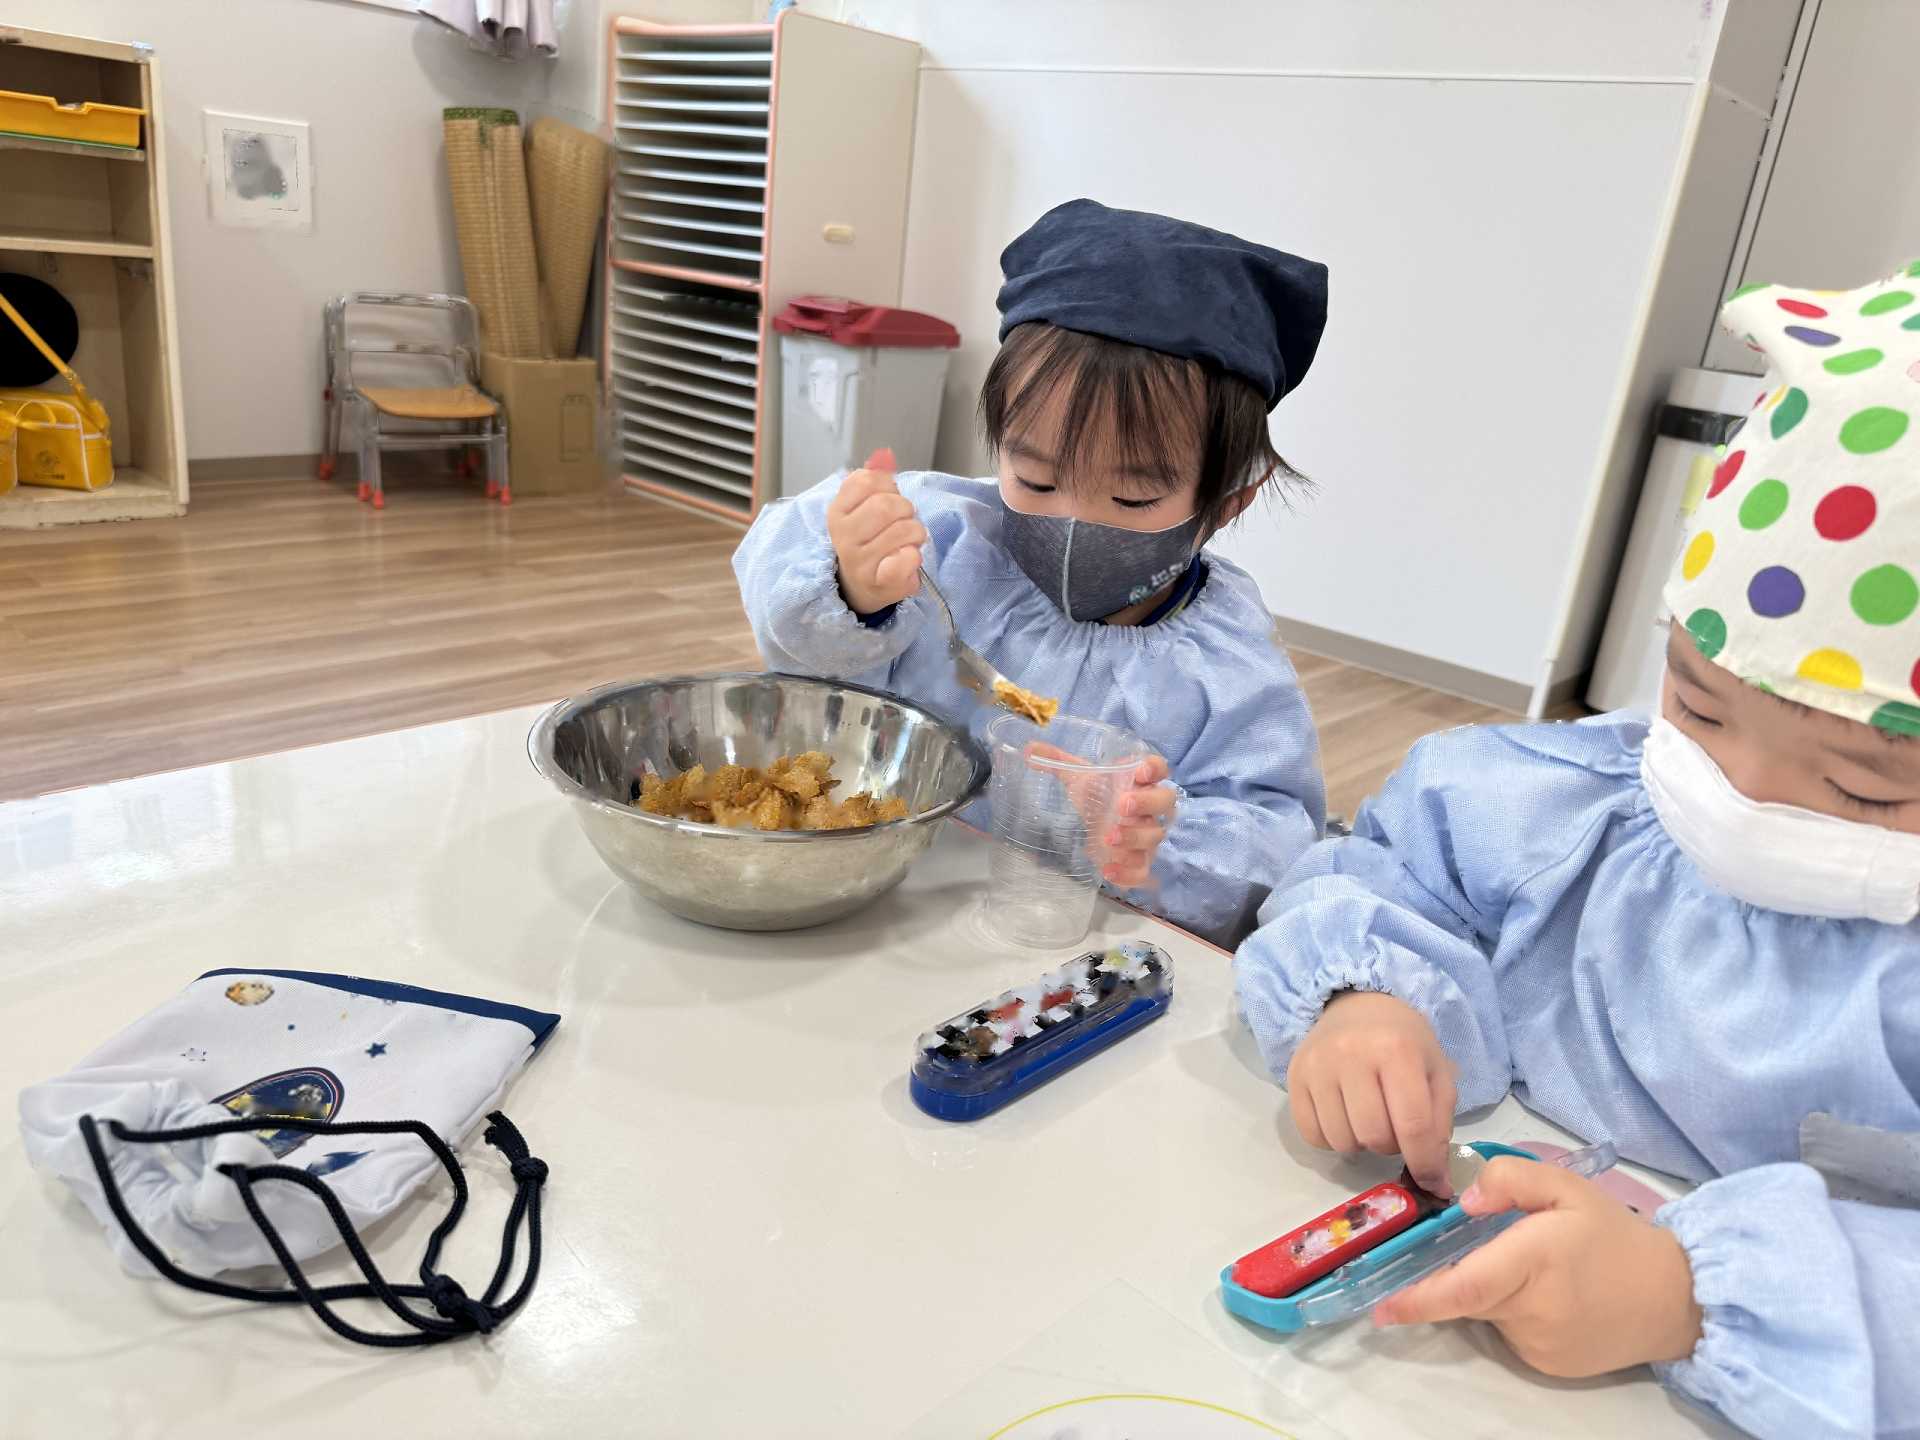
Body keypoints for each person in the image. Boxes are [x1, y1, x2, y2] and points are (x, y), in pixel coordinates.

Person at [1235, 266, 1920, 1439]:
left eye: (1861, 785)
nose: (1739, 794)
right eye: (1698, 707)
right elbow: (1387, 866)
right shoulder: (1566, 802)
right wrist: (1360, 995)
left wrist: (1694, 1300)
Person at [735, 199, 1331, 945]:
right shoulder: (943, 540)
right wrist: (852, 592)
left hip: (1064, 945)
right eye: (1037, 479)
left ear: (1227, 502)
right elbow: (800, 647)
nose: (1071, 522)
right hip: (883, 904)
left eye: (1133, 497)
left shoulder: (1227, 668)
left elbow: (1276, 843)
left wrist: (1158, 840)